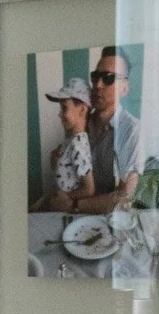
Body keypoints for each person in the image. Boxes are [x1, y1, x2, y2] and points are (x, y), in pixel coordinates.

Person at [73, 46, 142, 211]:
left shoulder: (132, 130)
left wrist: (75, 205)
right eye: (95, 76)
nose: (97, 85)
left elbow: (126, 195)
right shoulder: (82, 122)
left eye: (109, 78)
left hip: (110, 221)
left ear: (124, 88)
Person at [37, 79, 99, 209]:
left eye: (64, 108)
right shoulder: (70, 141)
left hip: (67, 212)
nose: (59, 114)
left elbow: (89, 189)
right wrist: (56, 163)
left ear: (82, 110)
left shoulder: (78, 144)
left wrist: (65, 197)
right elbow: (68, 176)